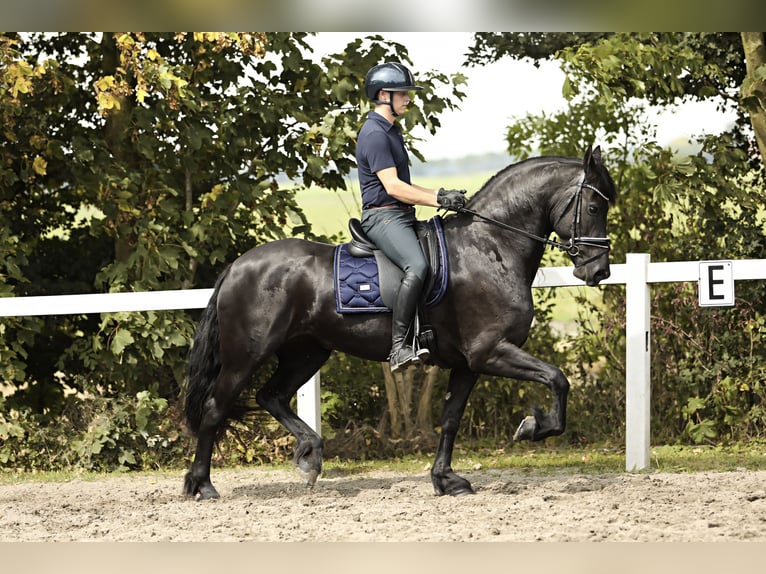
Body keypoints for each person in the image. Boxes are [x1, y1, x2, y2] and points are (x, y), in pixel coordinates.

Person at [356, 62, 467, 373]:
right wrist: (436, 199)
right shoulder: (375, 134)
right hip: (384, 218)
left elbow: (404, 185)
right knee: (416, 266)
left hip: (402, 215)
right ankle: (399, 347)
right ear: (383, 95)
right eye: (403, 94)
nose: (408, 99)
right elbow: (392, 187)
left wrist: (440, 194)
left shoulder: (392, 130)